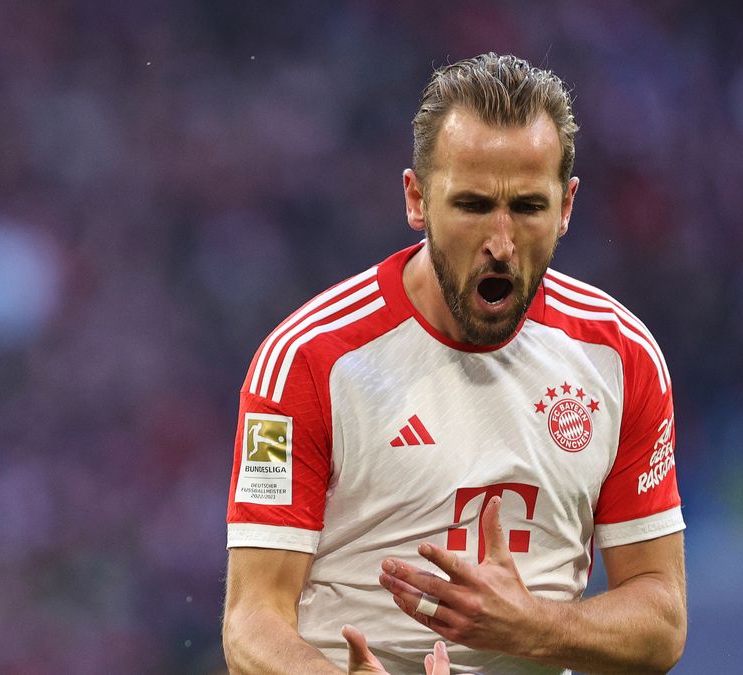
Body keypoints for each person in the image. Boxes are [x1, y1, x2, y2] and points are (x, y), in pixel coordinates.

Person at [221, 52, 686, 674]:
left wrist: (532, 626)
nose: (500, 242)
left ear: (567, 205)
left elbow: (662, 622)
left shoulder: (621, 357)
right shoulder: (305, 361)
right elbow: (251, 620)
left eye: (527, 207)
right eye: (471, 205)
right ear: (417, 200)